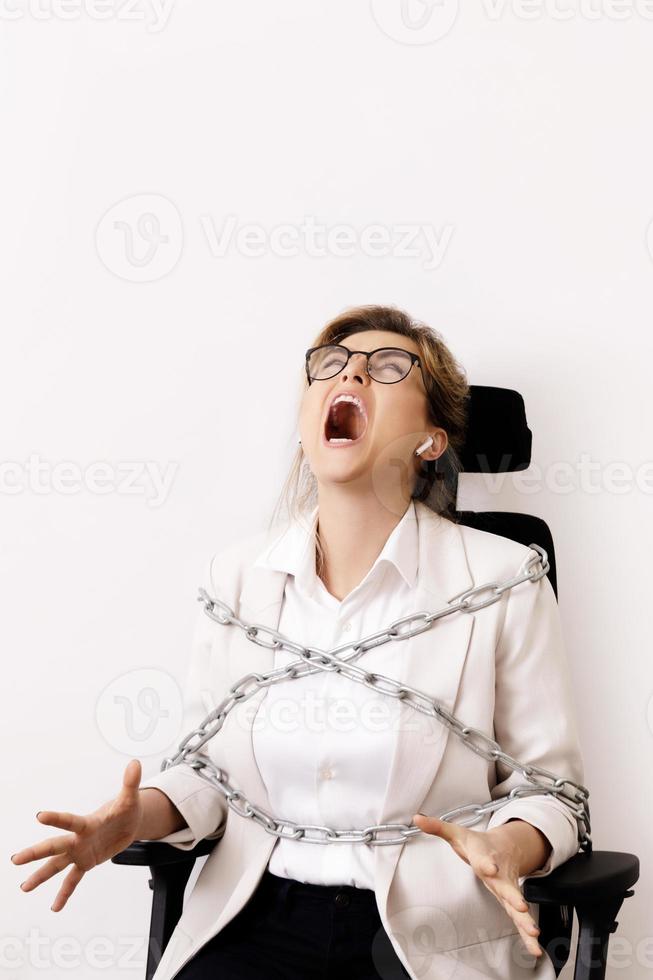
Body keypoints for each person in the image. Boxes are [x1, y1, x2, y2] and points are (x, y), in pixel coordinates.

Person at [11, 304, 586, 980]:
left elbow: (552, 792)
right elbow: (207, 775)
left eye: (388, 368)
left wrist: (509, 847)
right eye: (331, 366)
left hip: (424, 927)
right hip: (254, 914)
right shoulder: (235, 579)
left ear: (431, 440)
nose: (351, 374)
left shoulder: (503, 579)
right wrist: (139, 816)